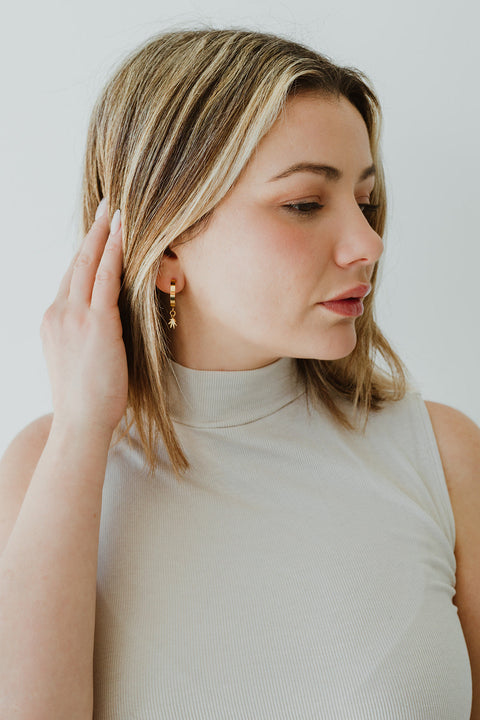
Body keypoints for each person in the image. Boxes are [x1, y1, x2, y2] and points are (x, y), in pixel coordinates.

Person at [0, 27, 478, 720]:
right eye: (306, 204)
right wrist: (82, 427)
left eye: (366, 202)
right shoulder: (51, 467)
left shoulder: (444, 457)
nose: (368, 243)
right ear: (165, 252)